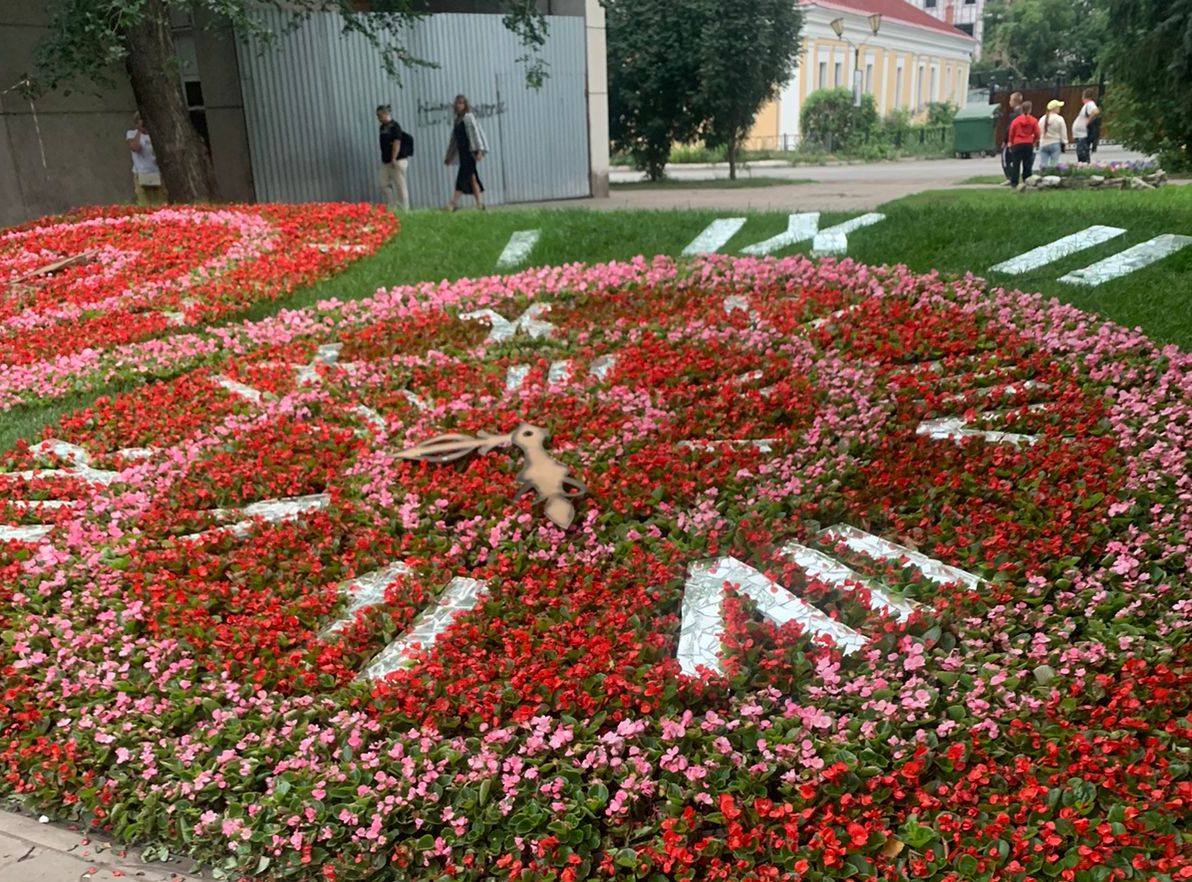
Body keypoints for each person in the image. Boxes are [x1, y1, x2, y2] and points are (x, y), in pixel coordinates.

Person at [444, 94, 489, 211]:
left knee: (462, 177)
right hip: (462, 153)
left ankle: (452, 204)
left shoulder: (468, 117)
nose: (459, 105)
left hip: (470, 153)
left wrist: (479, 151)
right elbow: (454, 140)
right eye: (457, 103)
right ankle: (480, 204)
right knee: (472, 178)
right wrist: (449, 156)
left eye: (461, 103)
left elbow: (475, 134)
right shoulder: (457, 120)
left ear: (465, 105)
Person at [126, 114, 166, 206]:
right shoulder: (132, 133)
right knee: (144, 203)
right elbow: (135, 148)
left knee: (160, 203)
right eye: (141, 120)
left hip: (156, 172)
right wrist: (139, 131)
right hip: (141, 172)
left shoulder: (156, 134)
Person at [376, 104, 410, 211]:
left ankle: (405, 210)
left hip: (397, 160)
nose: (378, 118)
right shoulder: (382, 127)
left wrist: (394, 158)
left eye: (380, 115)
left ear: (386, 114)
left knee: (400, 186)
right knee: (383, 184)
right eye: (377, 116)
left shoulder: (395, 126)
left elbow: (397, 142)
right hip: (386, 161)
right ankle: (392, 206)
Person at [1006, 99, 1038, 190]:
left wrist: (1010, 142)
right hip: (1028, 143)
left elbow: (1011, 132)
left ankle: (1014, 182)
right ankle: (1027, 180)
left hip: (1017, 144)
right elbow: (1037, 133)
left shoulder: (1016, 121)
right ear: (1030, 109)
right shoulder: (1033, 120)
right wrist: (1034, 140)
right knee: (1027, 164)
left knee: (1016, 164)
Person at [1037, 99, 1068, 171]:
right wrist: (1065, 142)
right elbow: (1063, 132)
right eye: (1058, 107)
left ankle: (1043, 177)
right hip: (1055, 143)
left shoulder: (1042, 119)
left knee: (1043, 164)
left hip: (1043, 143)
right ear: (1055, 108)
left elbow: (1038, 131)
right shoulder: (1059, 119)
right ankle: (1052, 178)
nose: (1059, 108)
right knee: (1054, 164)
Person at [1000, 91, 1024, 183]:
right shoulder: (1023, 113)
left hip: (1012, 141)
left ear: (1015, 101)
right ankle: (1015, 177)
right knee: (1016, 160)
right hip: (1021, 140)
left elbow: (1010, 129)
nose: (1009, 102)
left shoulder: (1014, 115)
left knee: (1006, 160)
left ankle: (1010, 177)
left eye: (1010, 100)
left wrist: (1005, 140)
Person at [1072, 88, 1100, 164]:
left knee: (1082, 154)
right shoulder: (1088, 105)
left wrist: (1088, 121)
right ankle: (1083, 166)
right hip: (1080, 134)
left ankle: (1084, 167)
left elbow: (1096, 111)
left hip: (1082, 134)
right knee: (1081, 153)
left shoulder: (1090, 104)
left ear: (1084, 97)